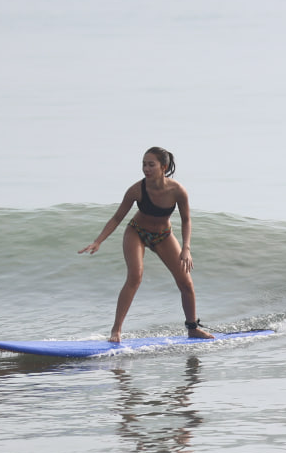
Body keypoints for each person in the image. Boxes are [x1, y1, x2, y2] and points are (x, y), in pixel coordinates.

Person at [79, 147, 214, 343]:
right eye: (144, 164)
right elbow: (117, 217)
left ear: (163, 167)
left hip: (164, 236)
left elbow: (186, 220)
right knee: (135, 276)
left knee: (186, 282)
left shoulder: (177, 191)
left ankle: (192, 328)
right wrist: (98, 241)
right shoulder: (136, 190)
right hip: (137, 232)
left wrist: (186, 248)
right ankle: (116, 330)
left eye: (151, 164)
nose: (146, 168)